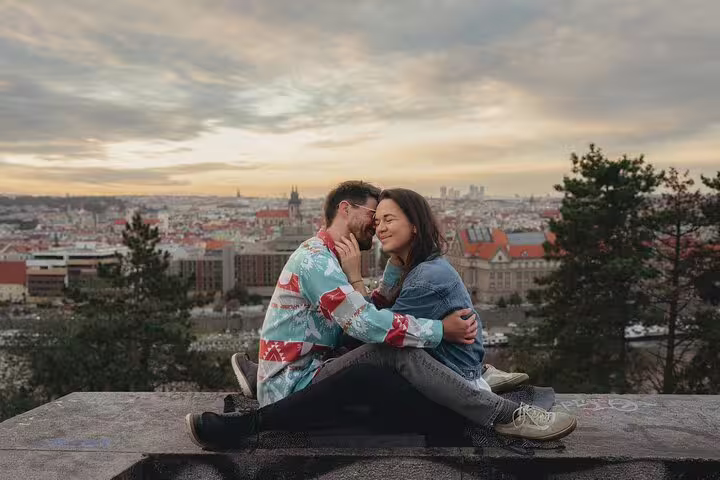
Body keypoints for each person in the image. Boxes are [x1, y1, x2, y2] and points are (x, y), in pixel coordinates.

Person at [185, 181, 577, 450]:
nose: (376, 224)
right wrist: (439, 330)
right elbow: (368, 327)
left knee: (388, 353)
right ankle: (504, 415)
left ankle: (261, 376)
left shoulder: (333, 256)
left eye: (385, 218)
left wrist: (374, 274)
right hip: (300, 376)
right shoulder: (318, 261)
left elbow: (364, 318)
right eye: (373, 215)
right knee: (391, 353)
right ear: (346, 209)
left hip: (309, 364)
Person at [337, 187, 528, 394]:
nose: (380, 229)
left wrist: (355, 277)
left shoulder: (426, 278)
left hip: (453, 382)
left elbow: (371, 332)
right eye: (377, 222)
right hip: (448, 371)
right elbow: (379, 310)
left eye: (389, 220)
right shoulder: (414, 266)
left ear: (415, 226)